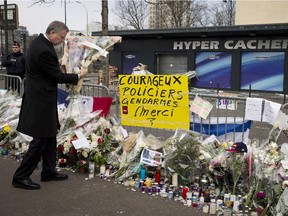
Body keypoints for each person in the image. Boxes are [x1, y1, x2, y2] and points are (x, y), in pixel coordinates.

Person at [12, 21, 88, 190]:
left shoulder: (40, 44)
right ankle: (21, 176)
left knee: (50, 134)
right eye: (61, 38)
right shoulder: (43, 49)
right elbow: (56, 76)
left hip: (42, 98)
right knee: (40, 139)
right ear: (52, 32)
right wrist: (78, 75)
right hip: (40, 100)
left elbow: (48, 69)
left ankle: (49, 171)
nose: (62, 41)